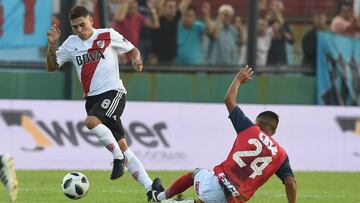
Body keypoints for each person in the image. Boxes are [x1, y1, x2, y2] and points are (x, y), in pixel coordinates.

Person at [46, 5, 156, 200]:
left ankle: (117, 159)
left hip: (114, 93)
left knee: (91, 122)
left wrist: (136, 60)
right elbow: (52, 67)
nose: (79, 30)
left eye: (82, 25)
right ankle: (152, 188)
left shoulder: (108, 35)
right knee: (123, 146)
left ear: (91, 21)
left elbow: (133, 49)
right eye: (75, 27)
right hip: (92, 100)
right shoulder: (71, 44)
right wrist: (52, 45)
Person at [151, 66, 297, 203]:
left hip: (217, 184)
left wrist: (239, 79)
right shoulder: (281, 155)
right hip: (235, 199)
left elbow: (229, 100)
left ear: (257, 123)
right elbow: (290, 182)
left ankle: (160, 197)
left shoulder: (250, 128)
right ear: (274, 131)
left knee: (194, 174)